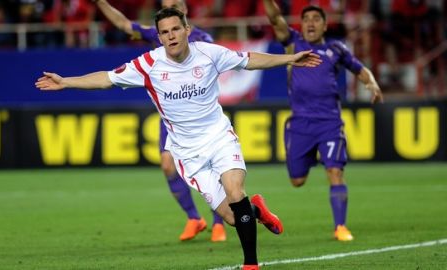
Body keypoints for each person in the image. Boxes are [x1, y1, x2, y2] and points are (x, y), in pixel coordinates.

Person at [36, 8, 321, 269]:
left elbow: (249, 61)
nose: (171, 35)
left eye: (175, 29)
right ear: (158, 37)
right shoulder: (148, 64)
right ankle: (257, 208)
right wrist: (66, 81)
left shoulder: (208, 52)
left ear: (187, 29)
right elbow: (106, 79)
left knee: (235, 192)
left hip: (219, 137)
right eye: (165, 32)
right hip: (187, 153)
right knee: (235, 216)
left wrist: (290, 58)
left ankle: (251, 264)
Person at [92, 0, 223, 242]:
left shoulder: (203, 40)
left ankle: (219, 222)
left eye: (174, 4)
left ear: (184, 9)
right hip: (171, 117)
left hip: (199, 117)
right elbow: (123, 24)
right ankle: (194, 218)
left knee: (212, 168)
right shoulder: (157, 35)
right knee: (167, 165)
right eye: (166, 5)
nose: (170, 8)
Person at [262, 0, 383, 241]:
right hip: (300, 125)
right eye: (306, 19)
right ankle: (314, 156)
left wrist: (372, 84)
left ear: (325, 26)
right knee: (297, 180)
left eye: (316, 19)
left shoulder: (336, 49)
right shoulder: (293, 44)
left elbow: (359, 69)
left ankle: (340, 227)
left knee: (335, 172)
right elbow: (275, 19)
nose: (310, 23)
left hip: (329, 123)